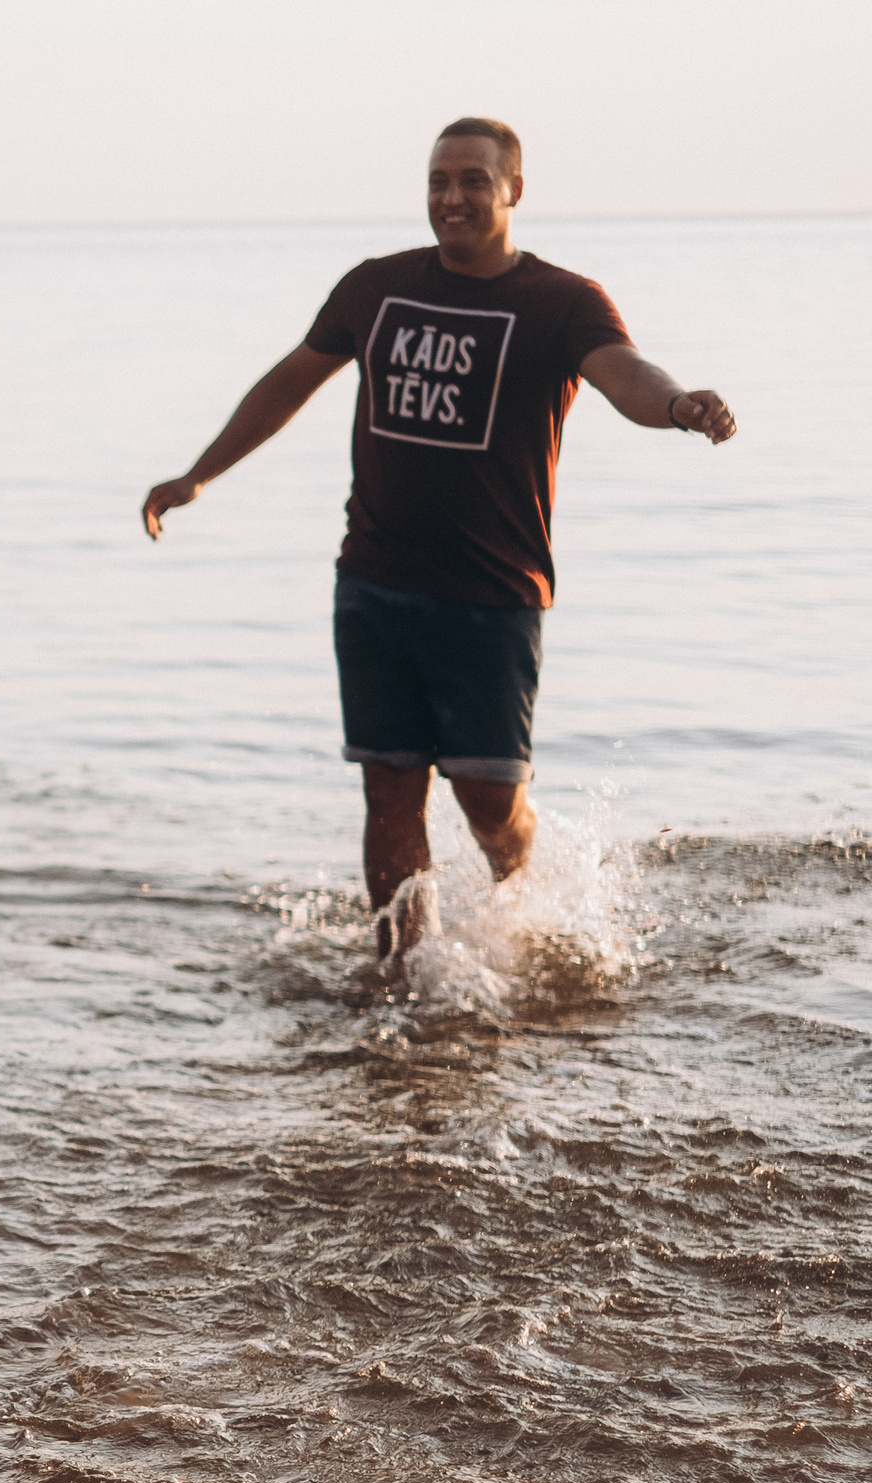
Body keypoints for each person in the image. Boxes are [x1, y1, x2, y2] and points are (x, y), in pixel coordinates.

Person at [141, 117, 735, 955]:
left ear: (513, 190)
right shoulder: (374, 288)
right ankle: (403, 971)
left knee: (488, 803)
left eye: (472, 182)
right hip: (375, 582)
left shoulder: (562, 302)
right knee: (389, 792)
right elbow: (290, 381)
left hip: (493, 597)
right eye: (437, 182)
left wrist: (678, 406)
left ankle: (526, 905)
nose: (451, 199)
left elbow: (626, 375)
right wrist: (200, 474)